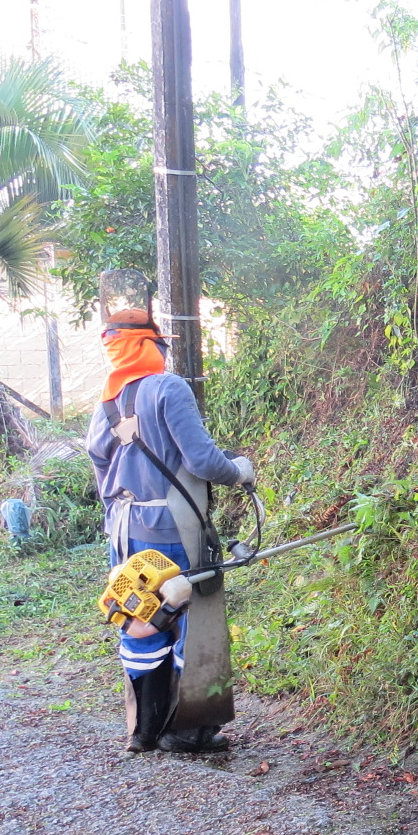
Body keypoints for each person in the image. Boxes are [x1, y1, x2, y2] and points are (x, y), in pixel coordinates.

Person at [87, 307, 253, 754]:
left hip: (123, 529)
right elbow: (201, 460)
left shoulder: (108, 397)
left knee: (139, 615)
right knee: (188, 616)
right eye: (159, 344)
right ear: (148, 344)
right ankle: (188, 728)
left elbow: (99, 462)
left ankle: (144, 729)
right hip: (171, 527)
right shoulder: (168, 388)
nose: (163, 352)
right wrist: (238, 471)